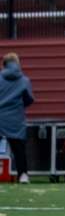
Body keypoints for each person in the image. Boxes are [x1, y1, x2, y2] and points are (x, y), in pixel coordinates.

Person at [0, 53, 34, 184]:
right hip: (15, 118)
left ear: (4, 64)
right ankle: (23, 175)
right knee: (18, 149)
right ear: (17, 63)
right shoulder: (25, 80)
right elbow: (29, 99)